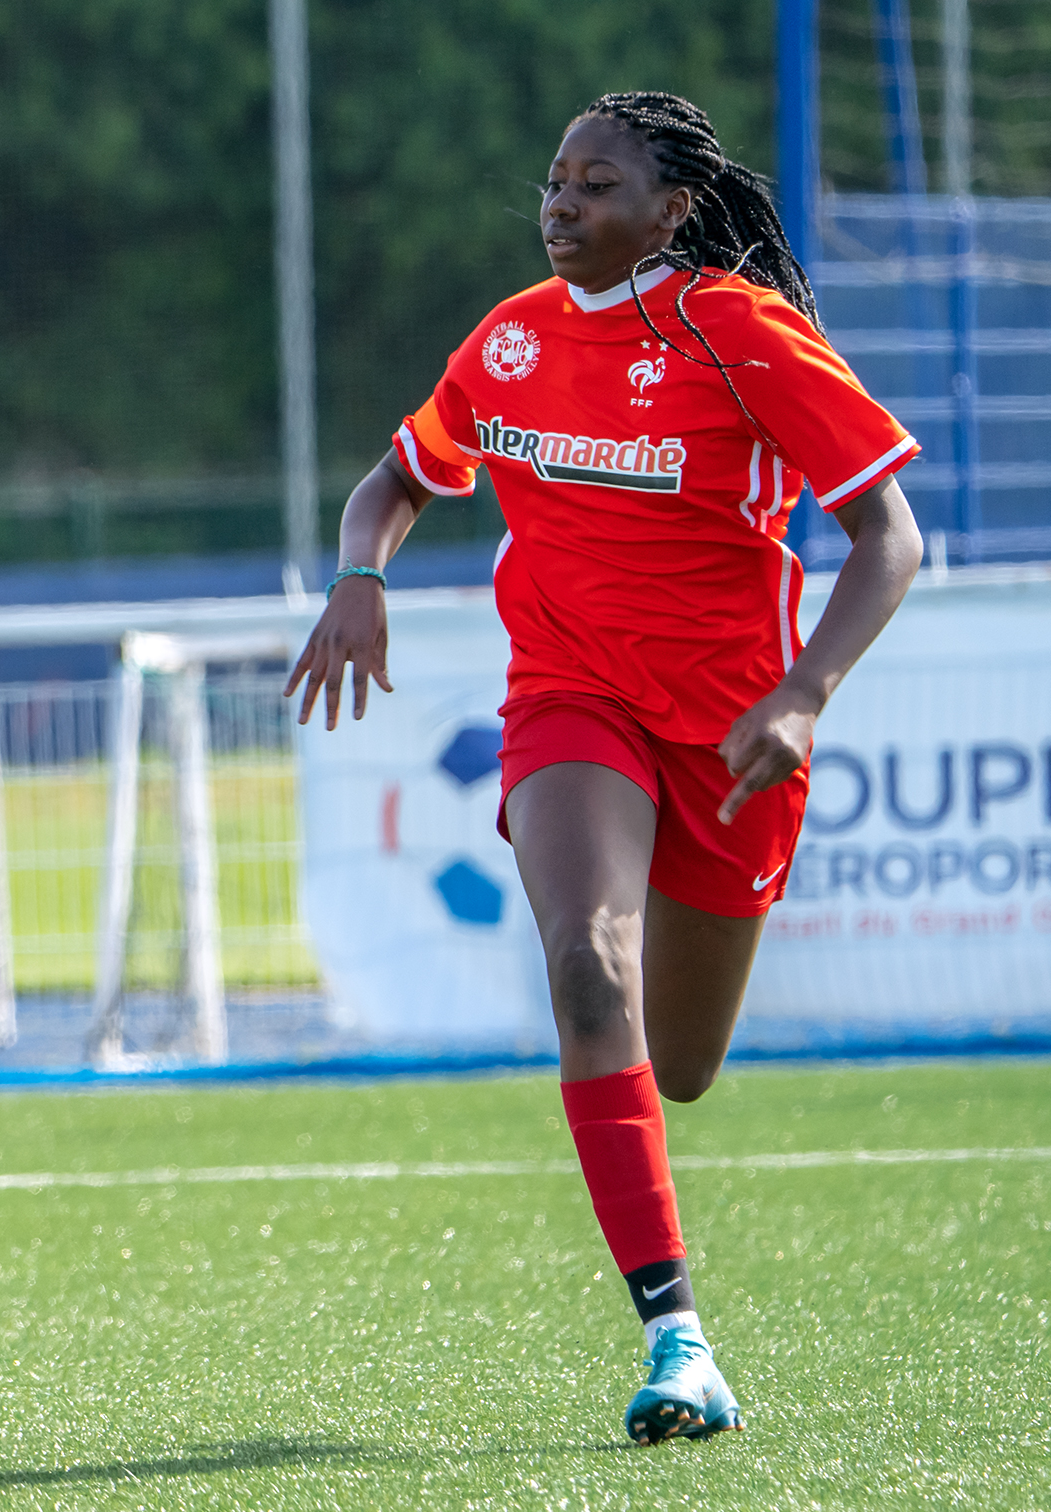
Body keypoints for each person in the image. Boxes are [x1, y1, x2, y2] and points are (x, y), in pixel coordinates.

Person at [284, 93, 922, 1443]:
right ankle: (676, 1337)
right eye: (554, 183)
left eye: (596, 184)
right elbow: (393, 481)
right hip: (572, 703)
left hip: (737, 744)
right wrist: (358, 576)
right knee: (586, 965)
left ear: (670, 209)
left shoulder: (741, 334)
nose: (561, 205)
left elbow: (888, 537)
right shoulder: (511, 339)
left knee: (678, 1064)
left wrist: (805, 694)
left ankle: (666, 1239)